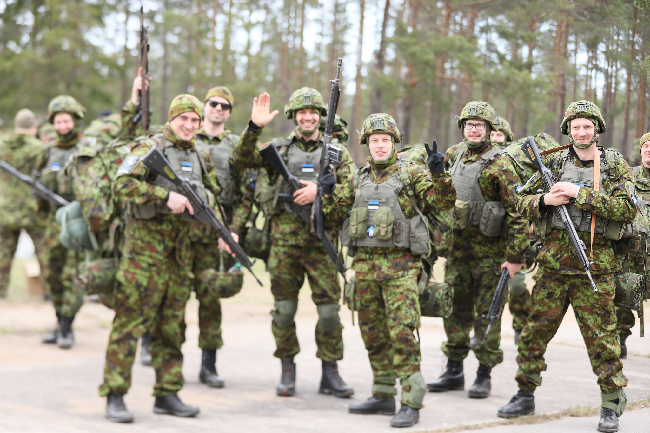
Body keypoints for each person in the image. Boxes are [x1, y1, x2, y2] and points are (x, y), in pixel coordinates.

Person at [497, 100, 634, 433]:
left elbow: (627, 209)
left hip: (595, 268)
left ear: (597, 129)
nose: (581, 132)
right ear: (568, 130)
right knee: (533, 334)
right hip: (553, 268)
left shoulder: (614, 164)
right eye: (576, 127)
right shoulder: (553, 161)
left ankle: (611, 406)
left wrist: (579, 193)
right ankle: (524, 394)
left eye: (587, 126)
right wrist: (545, 200)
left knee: (602, 340)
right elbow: (519, 200)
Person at [100, 94, 232, 423]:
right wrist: (163, 196)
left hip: (179, 255)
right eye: (183, 119)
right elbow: (121, 183)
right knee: (129, 324)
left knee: (172, 326)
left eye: (194, 120)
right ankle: (115, 394)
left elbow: (212, 199)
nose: (189, 125)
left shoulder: (201, 155)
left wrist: (224, 232)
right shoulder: (149, 147)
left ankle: (168, 393)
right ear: (171, 119)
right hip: (143, 257)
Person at [322, 113, 454, 427]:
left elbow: (442, 202)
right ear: (366, 144)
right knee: (373, 334)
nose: (380, 145)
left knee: (402, 334)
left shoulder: (412, 174)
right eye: (374, 140)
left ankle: (410, 401)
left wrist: (440, 174)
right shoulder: (358, 178)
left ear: (394, 143)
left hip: (401, 270)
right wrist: (327, 191)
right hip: (365, 269)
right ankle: (382, 394)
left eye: (385, 140)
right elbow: (335, 216)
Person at [232, 89, 355, 398]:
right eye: (302, 112)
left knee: (329, 312)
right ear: (293, 116)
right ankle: (287, 368)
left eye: (313, 112)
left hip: (321, 243)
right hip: (284, 244)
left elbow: (353, 191)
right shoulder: (279, 150)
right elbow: (241, 159)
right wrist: (254, 127)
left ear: (321, 116)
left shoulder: (336, 153)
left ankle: (330, 372)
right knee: (284, 311)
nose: (308, 117)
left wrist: (320, 192)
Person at [428, 101, 529, 399]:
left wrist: (515, 258)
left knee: (488, 313)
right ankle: (453, 370)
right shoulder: (453, 155)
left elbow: (518, 213)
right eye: (469, 125)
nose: (474, 130)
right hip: (457, 251)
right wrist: (437, 173)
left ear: (488, 129)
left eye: (480, 125)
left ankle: (483, 374)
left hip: (490, 255)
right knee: (453, 309)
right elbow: (441, 200)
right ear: (463, 127)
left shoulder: (502, 163)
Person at [193, 86, 250, 388]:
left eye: (225, 106)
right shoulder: (185, 136)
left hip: (216, 233)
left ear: (229, 113)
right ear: (204, 106)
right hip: (181, 231)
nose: (218, 108)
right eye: (213, 103)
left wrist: (233, 230)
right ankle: (163, 355)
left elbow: (245, 195)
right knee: (170, 296)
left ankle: (208, 365)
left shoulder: (235, 146)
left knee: (210, 299)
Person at [39, 95, 88, 349]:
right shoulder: (49, 152)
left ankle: (68, 326)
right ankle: (59, 322)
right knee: (52, 273)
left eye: (66, 121)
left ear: (75, 121)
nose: (63, 126)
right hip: (53, 221)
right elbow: (37, 184)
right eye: (58, 122)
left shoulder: (87, 149)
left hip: (77, 221)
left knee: (74, 274)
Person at [490, 116, 530, 345]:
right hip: (489, 237)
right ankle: (486, 329)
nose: (495, 139)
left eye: (500, 135)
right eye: (492, 134)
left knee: (516, 286)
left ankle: (521, 325)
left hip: (514, 237)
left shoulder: (516, 163)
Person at [0, 109, 48, 299]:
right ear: (33, 126)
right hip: (32, 209)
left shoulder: (2, 145)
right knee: (43, 251)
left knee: (2, 253)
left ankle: (1, 290)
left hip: (5, 207)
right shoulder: (39, 148)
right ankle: (49, 291)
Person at [615, 132, 650, 358]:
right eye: (646, 146)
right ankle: (619, 339)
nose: (649, 150)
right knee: (625, 295)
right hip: (632, 251)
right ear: (641, 150)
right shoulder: (629, 177)